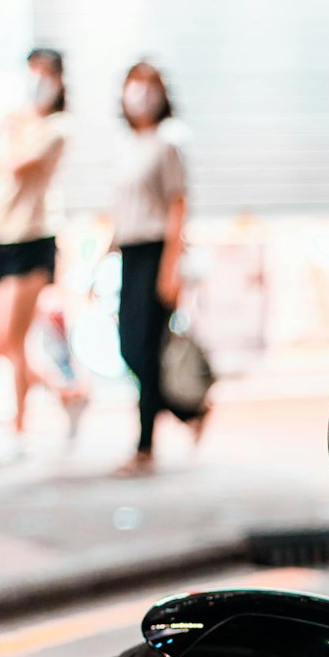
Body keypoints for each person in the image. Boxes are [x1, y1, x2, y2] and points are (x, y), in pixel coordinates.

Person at [112, 61, 205, 476]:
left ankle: (145, 447)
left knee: (146, 349)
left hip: (156, 252)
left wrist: (170, 267)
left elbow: (177, 205)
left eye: (149, 87)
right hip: (130, 252)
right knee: (128, 347)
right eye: (135, 86)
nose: (140, 95)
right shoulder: (128, 143)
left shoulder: (167, 144)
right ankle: (188, 410)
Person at [0, 48, 85, 450]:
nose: (36, 82)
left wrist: (13, 127)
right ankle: (67, 393)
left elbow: (17, 164)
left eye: (43, 74)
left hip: (31, 241)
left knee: (11, 338)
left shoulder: (57, 127)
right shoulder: (12, 121)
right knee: (0, 341)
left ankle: (19, 429)